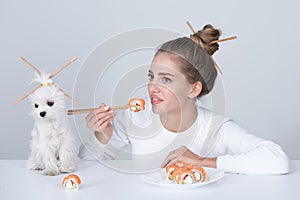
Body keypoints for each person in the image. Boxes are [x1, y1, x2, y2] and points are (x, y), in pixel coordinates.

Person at [79, 24, 290, 175]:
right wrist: (102, 137)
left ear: (193, 89)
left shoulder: (216, 129)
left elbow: (277, 160)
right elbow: (86, 166)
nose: (152, 87)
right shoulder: (135, 118)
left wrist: (203, 161)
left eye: (167, 79)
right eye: (151, 76)